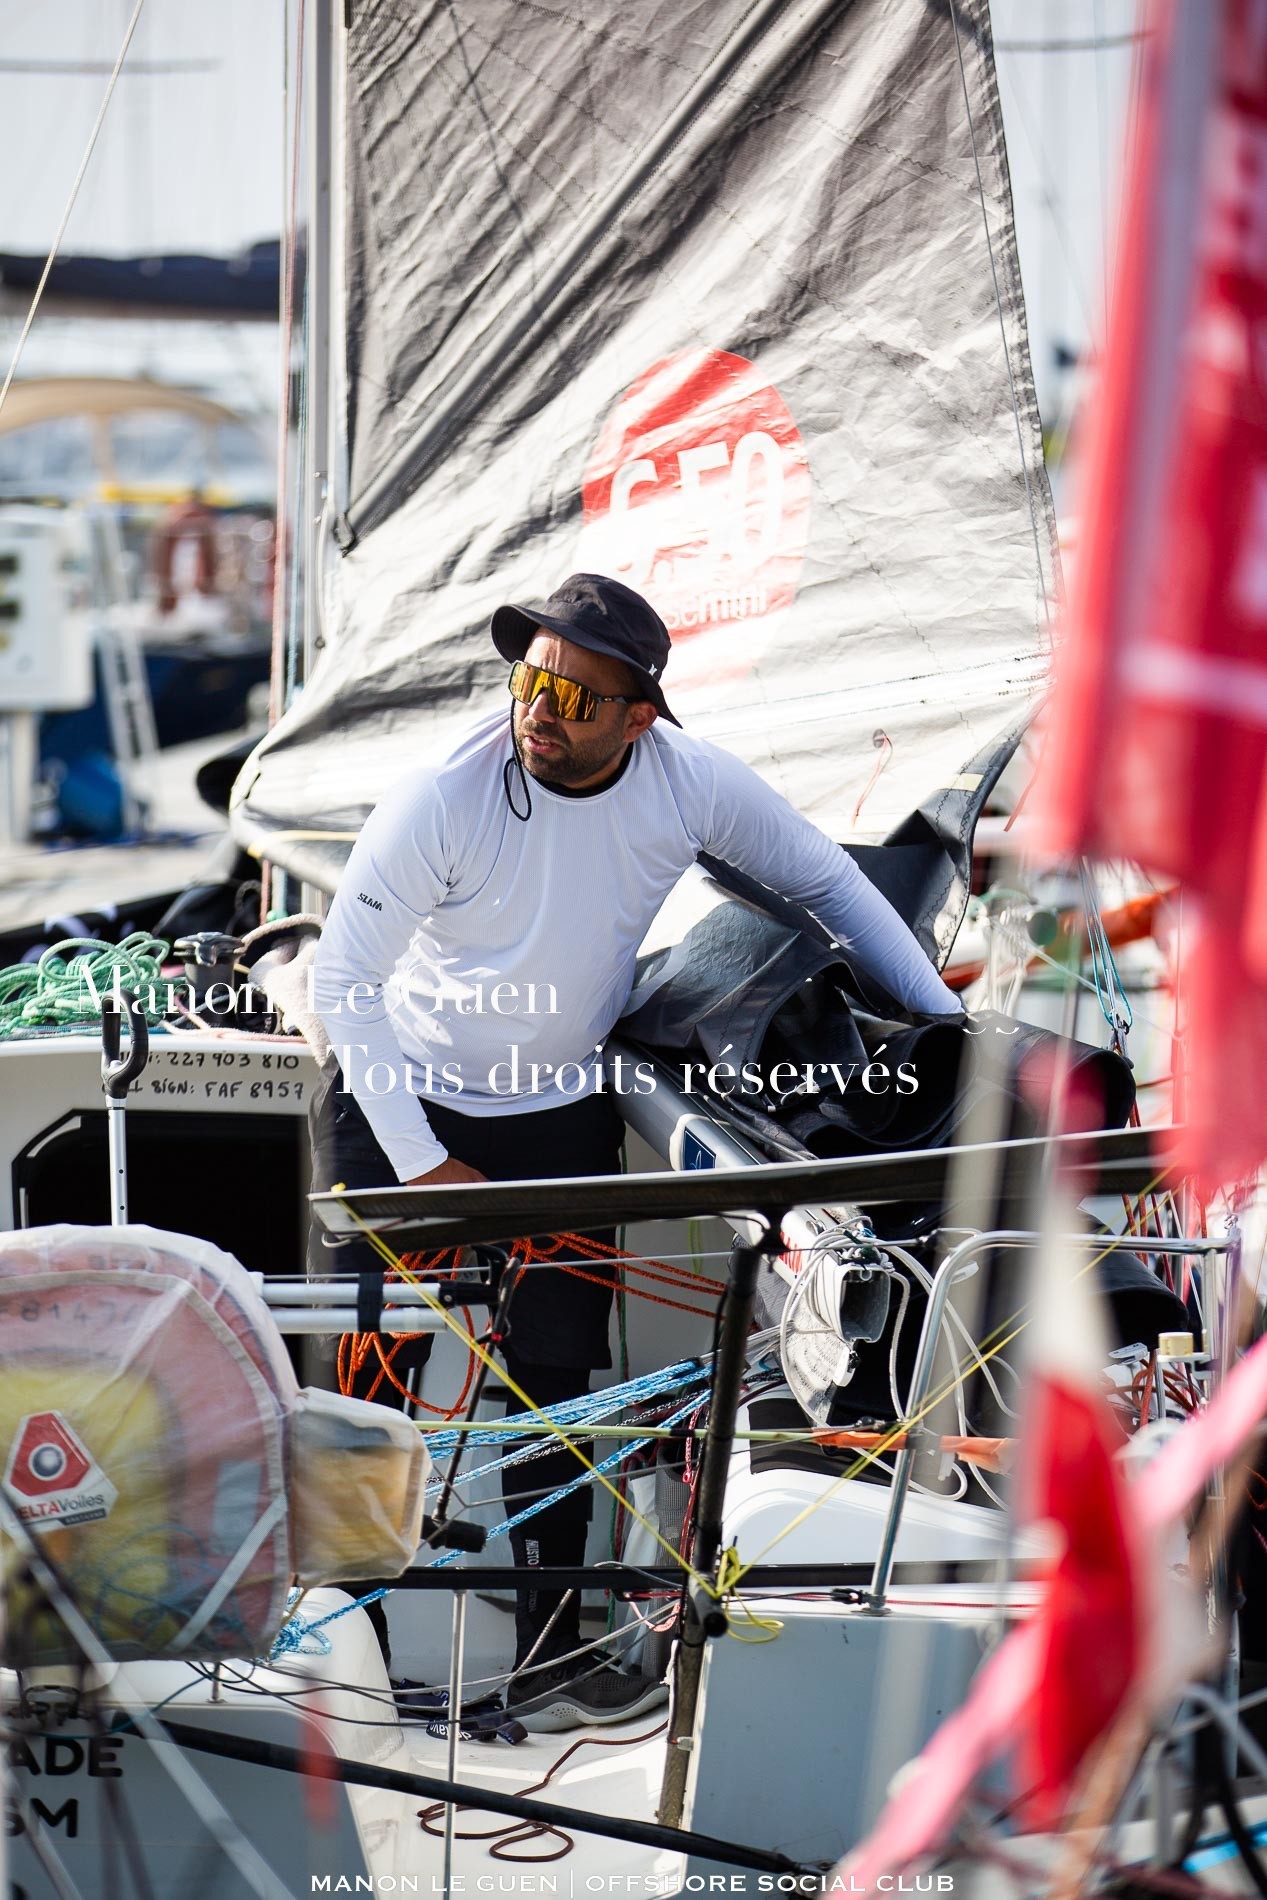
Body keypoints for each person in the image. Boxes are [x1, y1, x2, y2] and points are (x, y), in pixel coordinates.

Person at [309, 572, 961, 1731]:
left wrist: (943, 1022)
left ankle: (550, 1658)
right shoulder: (443, 797)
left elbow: (826, 883)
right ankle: (337, 1662)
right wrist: (418, 1162)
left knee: (560, 1387)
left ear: (639, 715)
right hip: (393, 1103)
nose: (538, 710)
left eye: (572, 695)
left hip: (555, 1113)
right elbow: (344, 981)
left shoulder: (685, 780)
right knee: (365, 1389)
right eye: (528, 680)